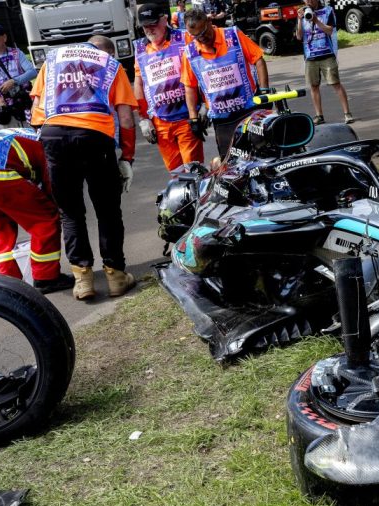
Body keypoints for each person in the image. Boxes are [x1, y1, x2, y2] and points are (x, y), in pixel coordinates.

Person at [30, 35, 138, 301]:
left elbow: (35, 114)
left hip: (54, 136)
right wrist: (127, 157)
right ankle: (115, 276)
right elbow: (125, 118)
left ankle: (83, 279)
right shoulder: (111, 64)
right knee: (108, 210)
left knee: (70, 211)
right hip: (95, 138)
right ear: (105, 50)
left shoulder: (51, 62)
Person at [0, 128, 74, 294]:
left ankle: (9, 282)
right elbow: (50, 180)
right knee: (44, 218)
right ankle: (46, 277)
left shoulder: (20, 133)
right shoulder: (48, 144)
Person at [181, 8, 269, 158]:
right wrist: (193, 118)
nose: (202, 38)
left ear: (209, 21)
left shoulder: (233, 35)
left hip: (248, 110)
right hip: (222, 119)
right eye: (196, 36)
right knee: (231, 163)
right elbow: (189, 86)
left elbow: (258, 60)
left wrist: (265, 90)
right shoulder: (190, 53)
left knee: (260, 155)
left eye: (203, 32)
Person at [133, 4, 204, 171]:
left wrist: (206, 106)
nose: (149, 29)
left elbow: (203, 67)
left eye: (153, 24)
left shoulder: (184, 38)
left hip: (187, 118)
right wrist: (143, 118)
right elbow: (139, 82)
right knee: (176, 174)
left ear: (165, 19)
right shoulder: (140, 48)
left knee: (194, 172)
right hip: (160, 121)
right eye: (145, 26)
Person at [295, 0, 353, 125]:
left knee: (336, 83)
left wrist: (316, 20)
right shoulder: (302, 12)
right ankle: (319, 115)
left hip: (327, 54)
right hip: (310, 57)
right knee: (314, 86)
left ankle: (347, 113)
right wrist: (299, 20)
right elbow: (299, 37)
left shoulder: (327, 11)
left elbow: (330, 31)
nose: (308, 1)